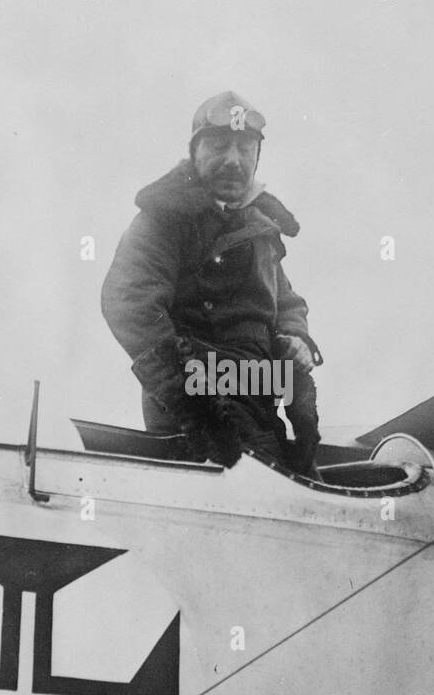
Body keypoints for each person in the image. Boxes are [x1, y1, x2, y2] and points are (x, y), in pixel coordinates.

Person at [101, 91, 322, 473]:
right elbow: (129, 301)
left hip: (259, 391)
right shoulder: (166, 218)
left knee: (291, 488)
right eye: (219, 146)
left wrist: (296, 337)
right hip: (201, 404)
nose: (234, 161)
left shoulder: (258, 225)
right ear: (194, 153)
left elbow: (284, 300)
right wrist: (190, 396)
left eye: (245, 148)